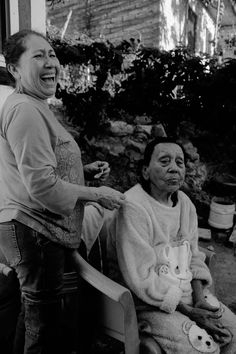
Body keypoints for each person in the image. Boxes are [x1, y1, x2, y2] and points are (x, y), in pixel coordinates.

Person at [0, 29, 125, 354]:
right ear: (14, 68)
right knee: (44, 331)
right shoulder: (25, 109)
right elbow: (41, 185)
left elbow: (33, 171)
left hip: (30, 230)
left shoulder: (30, 105)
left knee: (32, 319)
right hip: (35, 232)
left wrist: (80, 173)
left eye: (52, 54)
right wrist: (96, 194)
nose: (50, 62)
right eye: (38, 56)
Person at [106, 137, 236, 354]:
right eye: (165, 162)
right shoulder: (133, 207)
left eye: (179, 162)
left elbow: (194, 257)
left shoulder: (185, 203)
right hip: (146, 303)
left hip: (189, 298)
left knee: (233, 333)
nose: (174, 169)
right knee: (204, 348)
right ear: (146, 171)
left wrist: (200, 300)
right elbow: (141, 280)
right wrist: (189, 312)